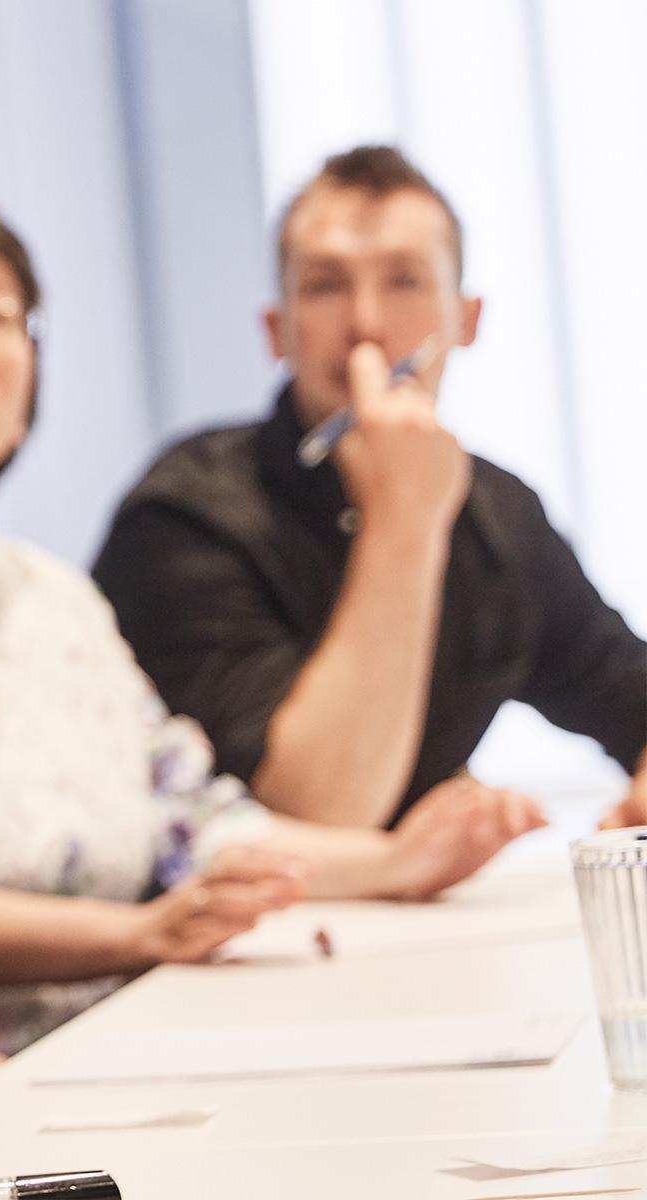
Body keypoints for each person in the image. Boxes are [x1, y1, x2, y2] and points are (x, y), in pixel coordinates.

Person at [0, 189, 543, 1178]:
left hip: (113, 1070)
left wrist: (383, 864)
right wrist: (136, 932)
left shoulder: (49, 593)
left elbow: (188, 816)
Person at [94, 145, 647, 831]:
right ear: (277, 330)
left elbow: (626, 691)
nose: (366, 326)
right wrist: (404, 520)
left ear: (465, 320)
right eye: (325, 286)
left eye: (405, 282)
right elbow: (316, 814)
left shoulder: (501, 514)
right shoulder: (185, 516)